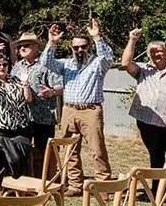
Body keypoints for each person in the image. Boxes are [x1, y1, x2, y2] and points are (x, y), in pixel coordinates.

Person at [42, 20, 113, 188]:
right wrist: (51, 42)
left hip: (90, 111)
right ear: (71, 48)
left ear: (89, 46)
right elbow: (45, 62)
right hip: (69, 110)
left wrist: (97, 37)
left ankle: (103, 185)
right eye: (76, 47)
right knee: (70, 150)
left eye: (83, 46)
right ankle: (75, 184)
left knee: (97, 150)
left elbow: (108, 57)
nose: (80, 50)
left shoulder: (97, 63)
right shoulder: (67, 64)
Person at [119, 28, 166, 188]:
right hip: (147, 121)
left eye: (160, 51)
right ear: (147, 53)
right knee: (155, 156)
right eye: (153, 51)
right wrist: (132, 40)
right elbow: (125, 63)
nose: (157, 54)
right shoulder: (142, 70)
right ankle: (157, 190)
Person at [10, 32, 63, 176]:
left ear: (36, 47)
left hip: (43, 115)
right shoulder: (17, 67)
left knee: (45, 150)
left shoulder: (46, 65)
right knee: (23, 148)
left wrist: (51, 92)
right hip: (22, 117)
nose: (22, 48)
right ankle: (26, 178)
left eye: (26, 45)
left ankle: (46, 179)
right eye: (20, 46)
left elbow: (61, 85)